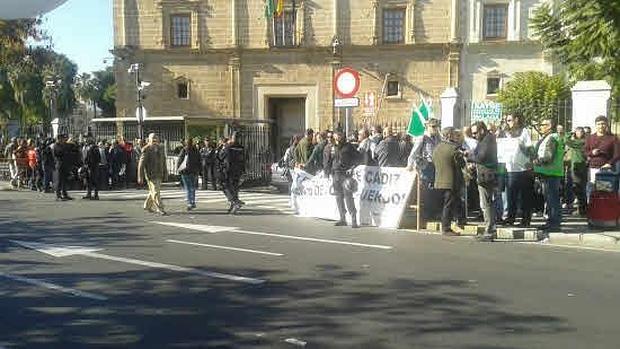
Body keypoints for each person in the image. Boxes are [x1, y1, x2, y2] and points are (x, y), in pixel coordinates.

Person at [432, 127, 466, 236]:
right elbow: (461, 163)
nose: (456, 137)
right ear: (449, 136)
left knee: (446, 204)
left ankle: (456, 221)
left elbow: (434, 161)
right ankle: (446, 228)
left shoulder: (437, 147)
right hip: (451, 181)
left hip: (439, 180)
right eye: (454, 134)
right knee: (449, 205)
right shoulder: (454, 148)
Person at [502, 114, 534, 227]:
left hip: (523, 168)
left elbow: (530, 150)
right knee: (511, 196)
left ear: (516, 119)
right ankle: (510, 218)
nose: (508, 122)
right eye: (506, 120)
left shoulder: (524, 131)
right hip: (511, 168)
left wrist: (521, 146)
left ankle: (525, 220)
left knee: (525, 196)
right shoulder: (505, 133)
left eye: (510, 120)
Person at [533, 118, 564, 232]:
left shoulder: (552, 138)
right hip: (549, 172)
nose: (541, 126)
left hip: (550, 172)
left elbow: (548, 157)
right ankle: (551, 221)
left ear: (550, 126)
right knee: (551, 198)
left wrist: (536, 162)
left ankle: (554, 223)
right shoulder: (549, 137)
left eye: (543, 124)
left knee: (552, 199)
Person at [469, 121, 498, 241]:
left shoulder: (488, 139)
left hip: (487, 175)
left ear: (482, 130)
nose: (474, 135)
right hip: (483, 174)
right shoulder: (483, 140)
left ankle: (490, 230)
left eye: (475, 133)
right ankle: (489, 229)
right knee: (485, 204)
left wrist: (469, 156)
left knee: (486, 204)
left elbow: (481, 156)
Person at [585, 116, 619, 198]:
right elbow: (585, 152)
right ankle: (591, 208)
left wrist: (609, 163)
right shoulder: (590, 137)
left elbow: (617, 154)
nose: (601, 126)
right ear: (595, 125)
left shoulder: (613, 138)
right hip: (593, 168)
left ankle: (605, 210)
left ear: (606, 124)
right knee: (592, 189)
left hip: (607, 169)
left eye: (603, 124)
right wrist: (592, 153)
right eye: (599, 124)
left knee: (604, 191)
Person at [331, 131, 360, 228]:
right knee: (338, 197)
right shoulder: (333, 146)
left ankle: (353, 219)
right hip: (336, 174)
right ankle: (342, 218)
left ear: (343, 136)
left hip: (345, 175)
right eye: (336, 135)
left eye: (340, 135)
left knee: (348, 197)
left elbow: (358, 158)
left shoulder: (349, 146)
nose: (338, 137)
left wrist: (352, 167)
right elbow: (331, 160)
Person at [138, 133, 168, 215]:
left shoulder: (161, 148)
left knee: (154, 191)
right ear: (149, 140)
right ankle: (160, 208)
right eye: (153, 139)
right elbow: (141, 164)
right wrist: (140, 177)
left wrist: (166, 173)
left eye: (156, 139)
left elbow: (164, 161)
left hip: (160, 173)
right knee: (156, 192)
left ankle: (147, 205)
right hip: (151, 174)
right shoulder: (146, 149)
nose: (155, 140)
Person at [219, 131, 245, 214]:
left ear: (232, 138)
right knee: (235, 188)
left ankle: (235, 201)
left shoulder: (228, 146)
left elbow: (221, 156)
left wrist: (223, 146)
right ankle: (233, 206)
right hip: (238, 170)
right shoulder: (241, 147)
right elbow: (244, 159)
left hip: (229, 170)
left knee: (225, 186)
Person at [565, 127, 587, 215]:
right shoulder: (583, 141)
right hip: (576, 166)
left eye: (581, 131)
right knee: (577, 188)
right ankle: (581, 208)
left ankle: (582, 209)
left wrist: (569, 134)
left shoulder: (582, 142)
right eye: (578, 131)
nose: (580, 133)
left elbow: (567, 141)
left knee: (579, 189)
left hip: (579, 167)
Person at [177, 138, 201, 210]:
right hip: (194, 171)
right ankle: (192, 201)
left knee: (187, 187)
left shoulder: (184, 150)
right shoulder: (196, 150)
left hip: (185, 171)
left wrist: (178, 169)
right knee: (192, 187)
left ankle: (189, 202)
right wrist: (199, 170)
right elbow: (199, 160)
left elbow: (180, 160)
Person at [52, 134, 72, 201]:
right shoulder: (56, 145)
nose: (64, 140)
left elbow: (69, 151)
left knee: (64, 180)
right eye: (62, 138)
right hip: (59, 164)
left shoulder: (64, 145)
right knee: (59, 180)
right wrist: (65, 150)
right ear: (59, 139)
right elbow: (58, 153)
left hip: (65, 164)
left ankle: (64, 194)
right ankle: (58, 195)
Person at [81, 135, 101, 200]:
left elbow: (97, 158)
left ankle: (96, 195)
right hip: (88, 166)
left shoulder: (95, 148)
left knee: (94, 181)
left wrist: (90, 165)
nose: (85, 140)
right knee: (88, 181)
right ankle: (88, 194)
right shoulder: (87, 147)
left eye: (86, 138)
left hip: (93, 167)